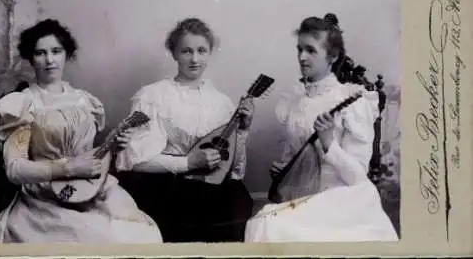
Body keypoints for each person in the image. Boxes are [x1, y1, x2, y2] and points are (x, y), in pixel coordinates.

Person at [0, 19, 163, 243]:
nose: (49, 59)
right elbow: (15, 169)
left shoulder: (86, 101)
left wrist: (115, 147)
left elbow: (89, 156)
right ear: (30, 58)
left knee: (142, 234)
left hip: (92, 190)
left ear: (66, 54)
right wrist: (69, 167)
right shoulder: (22, 104)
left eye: (56, 51)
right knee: (103, 239)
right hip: (45, 199)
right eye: (40, 53)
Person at [245, 13, 398, 242]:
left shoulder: (352, 101)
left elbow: (358, 177)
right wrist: (283, 169)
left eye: (311, 50)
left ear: (332, 57)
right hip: (301, 198)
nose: (302, 57)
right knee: (260, 224)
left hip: (342, 200)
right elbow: (295, 160)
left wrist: (329, 144)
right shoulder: (294, 102)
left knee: (271, 229)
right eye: (299, 49)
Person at [115, 17, 254, 243]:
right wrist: (188, 163)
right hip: (166, 187)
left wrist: (243, 130)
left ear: (210, 53)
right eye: (186, 51)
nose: (195, 59)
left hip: (212, 189)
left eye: (202, 50)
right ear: (174, 53)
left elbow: (235, 171)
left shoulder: (222, 102)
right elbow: (135, 161)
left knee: (235, 208)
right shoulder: (154, 96)